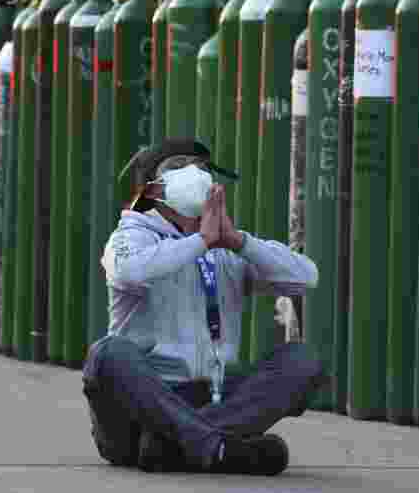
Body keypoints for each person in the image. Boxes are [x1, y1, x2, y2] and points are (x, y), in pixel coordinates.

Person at [82, 138, 323, 476]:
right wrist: (200, 242)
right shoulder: (132, 235)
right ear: (153, 189)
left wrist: (238, 241)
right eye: (178, 167)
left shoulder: (228, 246)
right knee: (106, 354)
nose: (193, 173)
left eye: (202, 167)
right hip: (141, 405)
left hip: (212, 396)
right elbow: (127, 270)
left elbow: (305, 277)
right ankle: (217, 445)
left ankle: (183, 445)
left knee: (302, 362)